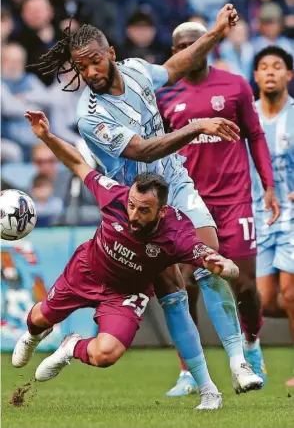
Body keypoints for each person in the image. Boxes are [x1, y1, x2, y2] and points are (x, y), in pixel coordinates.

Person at [29, 5, 259, 402]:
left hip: (175, 183)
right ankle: (205, 387)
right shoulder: (90, 115)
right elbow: (143, 151)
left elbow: (176, 65)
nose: (90, 74)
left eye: (95, 63)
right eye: (81, 69)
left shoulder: (136, 70)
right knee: (172, 293)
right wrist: (196, 126)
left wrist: (218, 31)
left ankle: (238, 362)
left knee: (211, 260)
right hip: (135, 207)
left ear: (111, 54)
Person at [13, 111, 262, 411]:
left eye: (144, 210)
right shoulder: (114, 196)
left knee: (105, 355)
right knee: (39, 318)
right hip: (87, 272)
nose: (133, 214)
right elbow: (77, 163)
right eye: (132, 205)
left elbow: (203, 254)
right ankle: (32, 336)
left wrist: (221, 264)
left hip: (126, 294)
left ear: (161, 212)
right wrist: (46, 136)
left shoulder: (175, 232)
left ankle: (70, 348)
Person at [156, 21, 279, 395]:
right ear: (174, 52)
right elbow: (156, 150)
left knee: (243, 283)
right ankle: (188, 371)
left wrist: (269, 185)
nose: (189, 52)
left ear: (207, 47)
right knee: (184, 285)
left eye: (196, 45)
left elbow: (255, 135)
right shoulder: (164, 94)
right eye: (182, 46)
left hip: (235, 201)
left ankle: (252, 342)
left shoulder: (235, 86)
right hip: (187, 204)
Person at [252, 46, 294, 387]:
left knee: (291, 294)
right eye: (263, 67)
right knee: (264, 301)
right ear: (255, 76)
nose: (270, 72)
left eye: (277, 67)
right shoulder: (246, 116)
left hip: (293, 214)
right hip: (257, 214)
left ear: (288, 75)